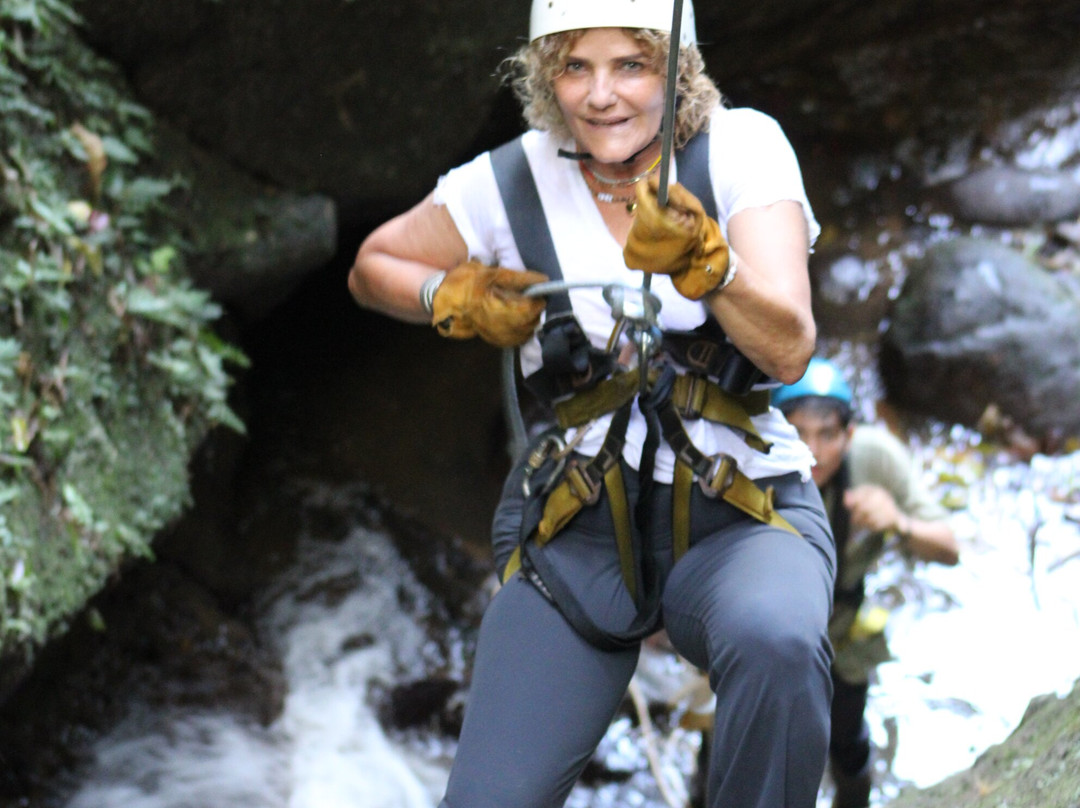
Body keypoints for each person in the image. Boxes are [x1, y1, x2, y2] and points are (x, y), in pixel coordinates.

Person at [348, 2, 835, 806]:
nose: (601, 95)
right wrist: (450, 294)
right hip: (580, 530)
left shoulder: (743, 149)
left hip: (737, 509)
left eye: (630, 66)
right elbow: (374, 267)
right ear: (545, 76)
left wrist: (711, 270)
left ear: (676, 70)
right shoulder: (508, 183)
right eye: (575, 67)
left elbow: (788, 346)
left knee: (777, 643)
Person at [773, 357, 961, 808]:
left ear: (849, 434)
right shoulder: (755, 465)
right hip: (771, 627)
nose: (812, 451)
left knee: (846, 735)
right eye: (797, 433)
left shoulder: (874, 459)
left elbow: (950, 547)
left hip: (841, 627)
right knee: (736, 735)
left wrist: (897, 522)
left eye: (827, 434)